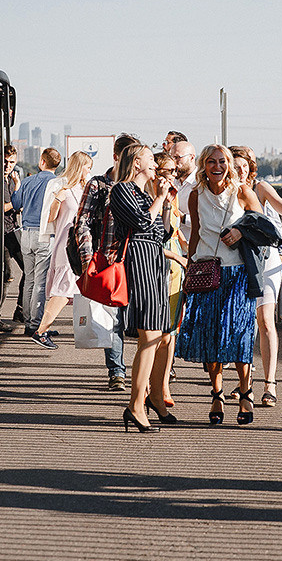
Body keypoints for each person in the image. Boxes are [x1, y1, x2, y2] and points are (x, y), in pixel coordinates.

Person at [176, 144, 263, 426]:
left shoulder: (242, 192)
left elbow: (263, 226)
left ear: (229, 164)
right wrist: (189, 268)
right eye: (211, 161)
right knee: (211, 335)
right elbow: (196, 233)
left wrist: (241, 231)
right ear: (203, 164)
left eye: (222, 161)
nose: (217, 166)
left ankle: (246, 392)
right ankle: (217, 393)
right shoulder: (195, 195)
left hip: (238, 273)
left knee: (239, 334)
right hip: (206, 272)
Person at [229, 146, 282, 407]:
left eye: (243, 166)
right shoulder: (227, 191)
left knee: (265, 321)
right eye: (234, 165)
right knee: (242, 322)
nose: (239, 171)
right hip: (238, 260)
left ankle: (270, 383)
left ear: (250, 169)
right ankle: (245, 383)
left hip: (267, 260)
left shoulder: (260, 188)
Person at [108, 144, 175, 432]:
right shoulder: (122, 190)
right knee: (149, 334)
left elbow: (163, 231)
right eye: (150, 158)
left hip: (155, 263)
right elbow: (141, 222)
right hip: (139, 264)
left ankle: (150, 400)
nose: (156, 164)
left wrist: (167, 204)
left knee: (159, 335)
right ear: (137, 163)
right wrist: (159, 198)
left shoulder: (143, 193)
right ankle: (136, 405)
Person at [75, 133, 143, 390]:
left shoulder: (142, 186)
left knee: (136, 318)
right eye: (131, 159)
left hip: (137, 261)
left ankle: (148, 371)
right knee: (113, 317)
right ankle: (117, 371)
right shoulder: (98, 185)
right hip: (109, 259)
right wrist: (87, 259)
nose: (135, 165)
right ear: (117, 157)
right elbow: (81, 221)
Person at [30, 151, 92, 348]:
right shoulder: (61, 186)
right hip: (67, 244)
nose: (89, 171)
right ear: (79, 166)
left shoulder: (84, 187)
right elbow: (49, 218)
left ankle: (45, 328)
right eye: (87, 167)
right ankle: (40, 330)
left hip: (81, 244)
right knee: (63, 289)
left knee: (71, 288)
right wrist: (59, 198)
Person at [10, 147, 62, 336]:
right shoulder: (58, 183)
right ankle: (36, 324)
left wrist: (17, 185)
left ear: (42, 162)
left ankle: (28, 321)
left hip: (26, 234)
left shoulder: (28, 181)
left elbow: (16, 204)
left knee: (29, 279)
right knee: (40, 281)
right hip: (45, 235)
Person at [154, 150, 188, 407]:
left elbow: (174, 233)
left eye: (175, 172)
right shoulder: (150, 196)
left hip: (176, 269)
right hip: (158, 267)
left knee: (172, 332)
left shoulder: (173, 196)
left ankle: (164, 383)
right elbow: (155, 239)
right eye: (168, 172)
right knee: (155, 332)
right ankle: (148, 386)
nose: (173, 177)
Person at [0, 145, 25, 328]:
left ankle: (20, 310)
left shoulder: (10, 179)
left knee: (28, 268)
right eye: (5, 162)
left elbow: (15, 205)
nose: (8, 166)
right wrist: (14, 203)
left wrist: (17, 191)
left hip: (12, 230)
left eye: (12, 162)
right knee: (6, 274)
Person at [171, 140, 198, 250]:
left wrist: (182, 218)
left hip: (194, 248)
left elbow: (209, 220)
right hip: (174, 248)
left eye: (178, 157)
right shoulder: (171, 181)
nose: (175, 162)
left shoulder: (201, 183)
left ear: (192, 157)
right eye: (172, 158)